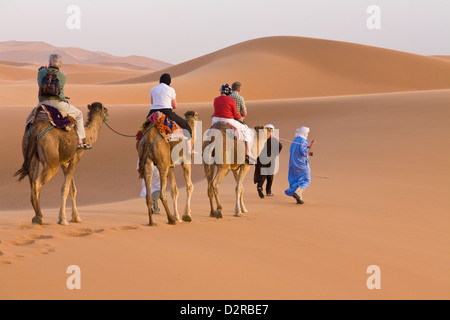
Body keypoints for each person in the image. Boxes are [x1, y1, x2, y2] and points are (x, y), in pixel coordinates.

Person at [27, 54, 91, 150]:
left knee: (29, 119)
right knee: (79, 114)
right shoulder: (62, 76)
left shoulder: (41, 72)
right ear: (60, 65)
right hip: (58, 104)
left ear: (49, 63)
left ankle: (28, 139)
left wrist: (43, 69)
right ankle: (80, 142)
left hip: (42, 104)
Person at [147, 73, 193, 154]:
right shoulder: (171, 90)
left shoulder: (153, 89)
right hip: (167, 112)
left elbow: (152, 102)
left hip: (152, 113)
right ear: (169, 82)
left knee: (145, 129)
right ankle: (189, 149)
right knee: (186, 125)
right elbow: (174, 106)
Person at [212, 84, 255, 160]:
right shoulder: (231, 100)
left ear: (221, 91)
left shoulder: (215, 99)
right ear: (229, 92)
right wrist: (241, 117)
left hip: (215, 120)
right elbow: (235, 113)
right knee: (247, 130)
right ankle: (248, 152)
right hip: (227, 120)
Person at [285, 127, 316, 204]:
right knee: (307, 180)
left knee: (298, 180)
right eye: (307, 132)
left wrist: (309, 152)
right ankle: (297, 193)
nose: (308, 134)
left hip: (293, 164)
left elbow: (297, 151)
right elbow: (303, 152)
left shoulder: (295, 140)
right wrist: (312, 145)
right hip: (301, 164)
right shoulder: (303, 140)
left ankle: (299, 199)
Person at [254, 124, 283, 198]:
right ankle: (268, 191)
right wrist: (275, 154)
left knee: (263, 175)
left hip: (260, 159)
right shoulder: (274, 140)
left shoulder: (259, 139)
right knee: (270, 176)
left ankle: (259, 187)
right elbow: (280, 146)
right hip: (270, 159)